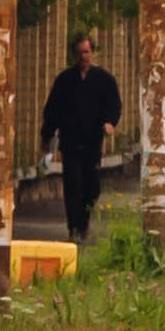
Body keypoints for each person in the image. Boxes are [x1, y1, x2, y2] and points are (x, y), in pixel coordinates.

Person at [40, 33, 122, 241]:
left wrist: (110, 122)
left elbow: (114, 105)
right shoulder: (65, 80)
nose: (83, 56)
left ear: (92, 53)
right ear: (74, 55)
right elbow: (52, 109)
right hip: (70, 141)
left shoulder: (104, 80)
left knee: (91, 186)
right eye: (79, 53)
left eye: (86, 52)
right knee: (72, 185)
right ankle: (74, 228)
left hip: (93, 141)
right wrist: (47, 135)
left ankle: (83, 222)